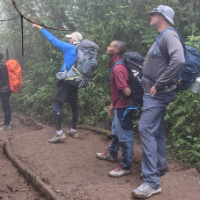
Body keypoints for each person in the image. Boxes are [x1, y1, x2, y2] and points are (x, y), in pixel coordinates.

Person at [131, 5, 185, 199]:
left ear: (161, 16)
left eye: (152, 14)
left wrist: (160, 83)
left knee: (145, 128)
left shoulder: (169, 34)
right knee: (157, 129)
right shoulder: (162, 36)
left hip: (158, 93)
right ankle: (160, 167)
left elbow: (178, 60)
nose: (150, 17)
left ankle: (152, 182)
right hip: (153, 92)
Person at [32, 24, 83, 143]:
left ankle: (59, 133)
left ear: (73, 40)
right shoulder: (82, 51)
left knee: (57, 104)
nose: (68, 39)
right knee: (74, 106)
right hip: (76, 81)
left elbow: (54, 40)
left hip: (65, 81)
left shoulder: (70, 48)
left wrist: (41, 28)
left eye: (70, 38)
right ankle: (73, 130)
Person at [96, 40, 134, 177]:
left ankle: (125, 166)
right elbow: (118, 91)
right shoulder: (116, 64)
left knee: (125, 136)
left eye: (110, 46)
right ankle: (112, 154)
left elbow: (126, 91)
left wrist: (122, 103)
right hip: (119, 105)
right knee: (116, 131)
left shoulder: (118, 68)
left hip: (124, 107)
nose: (107, 47)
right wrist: (113, 104)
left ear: (116, 51)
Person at [0, 52, 12, 131]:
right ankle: (8, 121)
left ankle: (7, 125)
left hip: (3, 89)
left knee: (5, 106)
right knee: (6, 105)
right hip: (7, 88)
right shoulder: (4, 65)